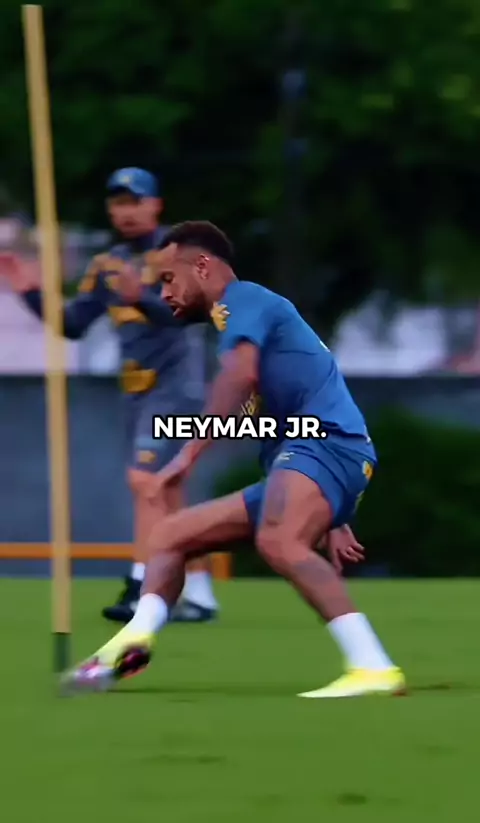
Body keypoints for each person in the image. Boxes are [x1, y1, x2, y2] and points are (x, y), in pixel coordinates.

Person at [63, 220, 406, 699]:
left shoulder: (241, 302)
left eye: (168, 278)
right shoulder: (248, 319)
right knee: (169, 536)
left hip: (325, 447)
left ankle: (373, 667)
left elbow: (238, 377)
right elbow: (279, 408)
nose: (163, 294)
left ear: (203, 266)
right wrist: (332, 511)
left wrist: (188, 454)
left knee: (279, 540)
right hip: (317, 455)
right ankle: (131, 644)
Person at [0, 176, 219, 624]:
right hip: (136, 392)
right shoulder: (109, 264)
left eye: (135, 201)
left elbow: (193, 314)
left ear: (156, 204)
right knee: (165, 492)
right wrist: (29, 291)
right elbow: (74, 324)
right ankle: (199, 595)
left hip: (175, 388)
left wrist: (142, 300)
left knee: (145, 481)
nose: (127, 211)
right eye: (119, 203)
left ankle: (142, 587)